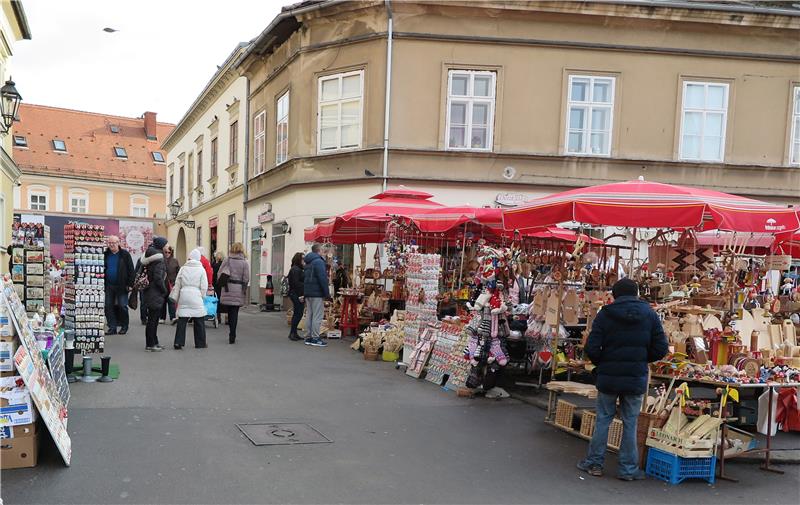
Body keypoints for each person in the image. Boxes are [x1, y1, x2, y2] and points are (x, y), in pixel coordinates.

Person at [578, 278, 669, 481]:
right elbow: (661, 347)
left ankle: (594, 464)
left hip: (608, 376)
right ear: (636, 293)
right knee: (630, 422)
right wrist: (643, 359)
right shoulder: (649, 314)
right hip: (635, 376)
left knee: (603, 419)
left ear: (615, 294)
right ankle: (628, 470)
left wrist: (603, 362)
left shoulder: (606, 314)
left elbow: (591, 347)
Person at [170, 249, 208, 349]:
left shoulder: (183, 268)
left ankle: (178, 342)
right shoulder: (201, 269)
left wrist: (176, 296)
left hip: (184, 294)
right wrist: (202, 296)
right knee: (199, 319)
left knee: (182, 319)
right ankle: (200, 343)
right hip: (196, 295)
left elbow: (177, 283)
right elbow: (204, 286)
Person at [138, 237, 169, 352]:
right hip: (155, 292)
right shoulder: (159, 259)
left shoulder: (149, 256)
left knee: (152, 319)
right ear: (161, 245)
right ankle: (151, 344)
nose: (167, 246)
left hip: (149, 291)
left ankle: (154, 342)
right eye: (166, 244)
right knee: (153, 320)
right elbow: (158, 278)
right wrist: (164, 290)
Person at [218, 242, 249, 344]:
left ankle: (231, 332)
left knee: (229, 311)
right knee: (235, 312)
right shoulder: (244, 262)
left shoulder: (227, 260)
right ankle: (233, 334)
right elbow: (246, 278)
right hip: (238, 289)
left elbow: (219, 273)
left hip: (227, 288)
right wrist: (244, 290)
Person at [103, 235, 135, 335]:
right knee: (108, 306)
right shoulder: (105, 254)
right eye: (110, 243)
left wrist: (130, 284)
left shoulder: (125, 254)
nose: (111, 245)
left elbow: (131, 270)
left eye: (113, 243)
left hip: (122, 285)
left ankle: (124, 326)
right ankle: (112, 327)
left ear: (118, 243)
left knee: (122, 306)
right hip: (109, 284)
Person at [303, 243, 330, 347]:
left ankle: (308, 337)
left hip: (308, 292)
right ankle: (315, 338)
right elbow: (322, 278)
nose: (324, 252)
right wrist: (326, 293)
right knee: (317, 316)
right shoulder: (319, 262)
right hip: (317, 293)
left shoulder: (308, 262)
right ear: (319, 251)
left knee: (309, 315)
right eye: (323, 250)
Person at [287, 252, 305, 341]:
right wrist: (300, 295)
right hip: (296, 294)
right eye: (302, 259)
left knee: (298, 313)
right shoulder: (296, 269)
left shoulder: (297, 269)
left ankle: (294, 333)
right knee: (298, 313)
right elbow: (296, 283)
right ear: (298, 260)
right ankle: (292, 333)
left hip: (296, 293)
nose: (304, 261)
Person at [163, 245, 180, 324]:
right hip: (162, 283)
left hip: (172, 284)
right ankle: (162, 317)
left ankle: (172, 317)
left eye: (168, 252)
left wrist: (177, 283)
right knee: (163, 301)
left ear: (171, 252)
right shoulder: (161, 260)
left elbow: (178, 272)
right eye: (165, 252)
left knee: (171, 301)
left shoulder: (175, 261)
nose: (167, 254)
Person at [211, 251, 225, 324]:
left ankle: (218, 317)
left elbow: (213, 276)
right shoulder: (225, 265)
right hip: (224, 285)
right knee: (225, 301)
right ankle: (227, 318)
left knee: (217, 300)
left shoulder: (214, 265)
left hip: (216, 285)